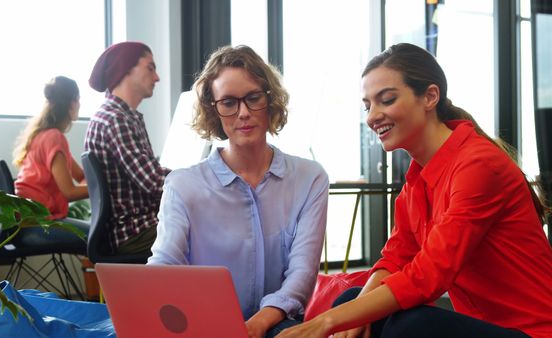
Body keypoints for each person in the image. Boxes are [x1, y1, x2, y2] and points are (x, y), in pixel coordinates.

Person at [277, 43, 552, 338]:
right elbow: (395, 259)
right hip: (483, 327)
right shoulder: (416, 182)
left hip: (534, 332)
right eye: (368, 105)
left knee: (406, 326)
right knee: (352, 302)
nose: (372, 116)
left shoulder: (478, 164)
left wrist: (325, 322)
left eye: (387, 100)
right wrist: (352, 312)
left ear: (430, 97)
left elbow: (429, 275)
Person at [147, 45, 329, 338]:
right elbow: (165, 264)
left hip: (275, 322)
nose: (243, 113)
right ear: (213, 110)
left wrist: (257, 325)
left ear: (270, 101)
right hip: (202, 324)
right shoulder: (183, 185)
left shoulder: (310, 178)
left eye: (254, 98)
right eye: (229, 102)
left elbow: (301, 275)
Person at [85, 41, 170, 255]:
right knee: (212, 232)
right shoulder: (116, 119)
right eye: (150, 68)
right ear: (125, 69)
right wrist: (203, 180)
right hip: (135, 232)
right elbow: (154, 182)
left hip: (134, 229)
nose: (157, 77)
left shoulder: (119, 115)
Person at [14, 75, 89, 220]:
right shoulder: (54, 137)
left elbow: (81, 176)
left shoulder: (40, 135)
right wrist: (105, 188)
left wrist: (93, 182)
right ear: (72, 103)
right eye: (78, 99)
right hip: (40, 220)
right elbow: (69, 192)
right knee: (98, 236)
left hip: (27, 217)